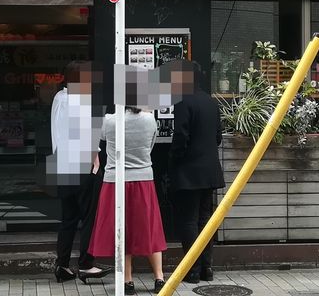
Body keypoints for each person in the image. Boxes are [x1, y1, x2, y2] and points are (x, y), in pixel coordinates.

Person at [89, 106, 166, 295]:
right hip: (143, 178)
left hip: (115, 180)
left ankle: (127, 281)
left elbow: (93, 137)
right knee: (149, 228)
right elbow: (151, 146)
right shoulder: (149, 120)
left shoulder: (109, 120)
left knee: (121, 230)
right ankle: (159, 278)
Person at [50, 62, 110, 283]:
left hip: (61, 163)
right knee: (89, 218)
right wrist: (95, 163)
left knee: (68, 219)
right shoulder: (82, 100)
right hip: (82, 166)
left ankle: (63, 266)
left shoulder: (59, 98)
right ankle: (86, 265)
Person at [168, 61, 225, 284]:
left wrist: (174, 160)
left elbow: (180, 137)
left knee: (188, 221)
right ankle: (206, 268)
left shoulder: (183, 101)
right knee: (204, 220)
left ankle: (192, 270)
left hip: (188, 172)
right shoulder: (210, 102)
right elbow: (218, 137)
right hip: (210, 171)